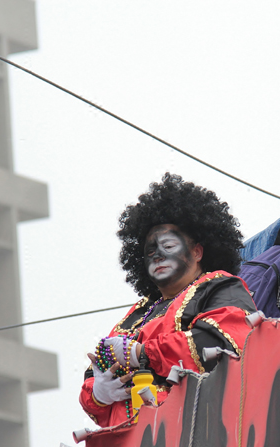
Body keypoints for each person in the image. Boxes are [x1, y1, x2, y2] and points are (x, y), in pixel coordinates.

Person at [79, 173, 257, 427]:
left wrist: (142, 354)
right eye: (150, 251)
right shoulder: (136, 314)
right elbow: (96, 373)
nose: (158, 255)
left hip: (192, 431)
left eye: (169, 246)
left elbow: (225, 343)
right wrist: (98, 394)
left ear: (197, 252)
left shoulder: (219, 286)